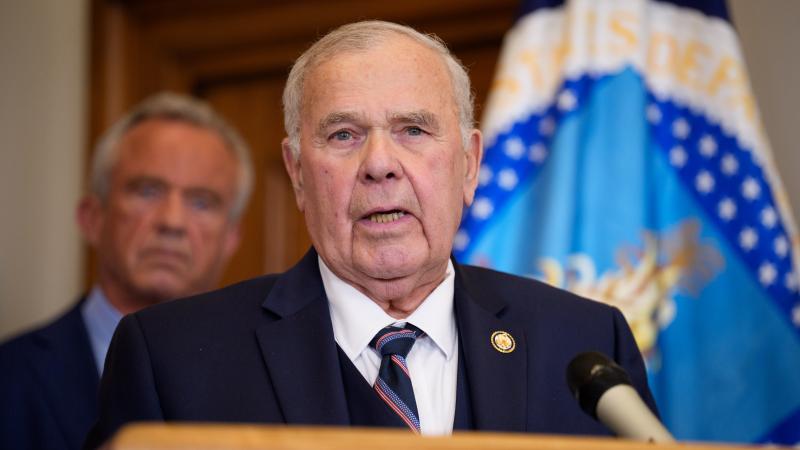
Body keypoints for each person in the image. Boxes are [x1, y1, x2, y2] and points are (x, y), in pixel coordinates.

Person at [85, 21, 658, 448]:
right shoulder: (170, 357)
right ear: (296, 174)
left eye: (413, 129)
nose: (380, 164)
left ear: (469, 164)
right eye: (342, 134)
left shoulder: (585, 344)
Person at [0, 92, 254, 450]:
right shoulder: (8, 378)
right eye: (147, 191)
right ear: (92, 218)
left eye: (201, 201)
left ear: (231, 238)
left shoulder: (264, 383)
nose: (172, 222)